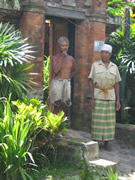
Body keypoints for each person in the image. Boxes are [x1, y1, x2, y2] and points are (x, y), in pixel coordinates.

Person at [88, 44, 121, 151]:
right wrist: (92, 98)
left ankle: (107, 142)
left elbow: (116, 84)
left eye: (106, 53)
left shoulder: (114, 67)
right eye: (102, 52)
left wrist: (118, 100)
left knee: (109, 121)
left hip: (110, 96)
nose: (103, 54)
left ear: (110, 54)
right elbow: (90, 81)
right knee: (97, 120)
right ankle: (95, 141)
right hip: (98, 95)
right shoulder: (95, 65)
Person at [50, 36, 76, 116]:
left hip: (66, 81)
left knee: (66, 103)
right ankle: (54, 121)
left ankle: (62, 121)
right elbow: (56, 70)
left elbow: (75, 70)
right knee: (57, 103)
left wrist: (68, 77)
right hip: (57, 81)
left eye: (66, 45)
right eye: (62, 46)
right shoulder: (55, 58)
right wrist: (62, 58)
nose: (64, 48)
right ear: (59, 47)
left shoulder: (71, 58)